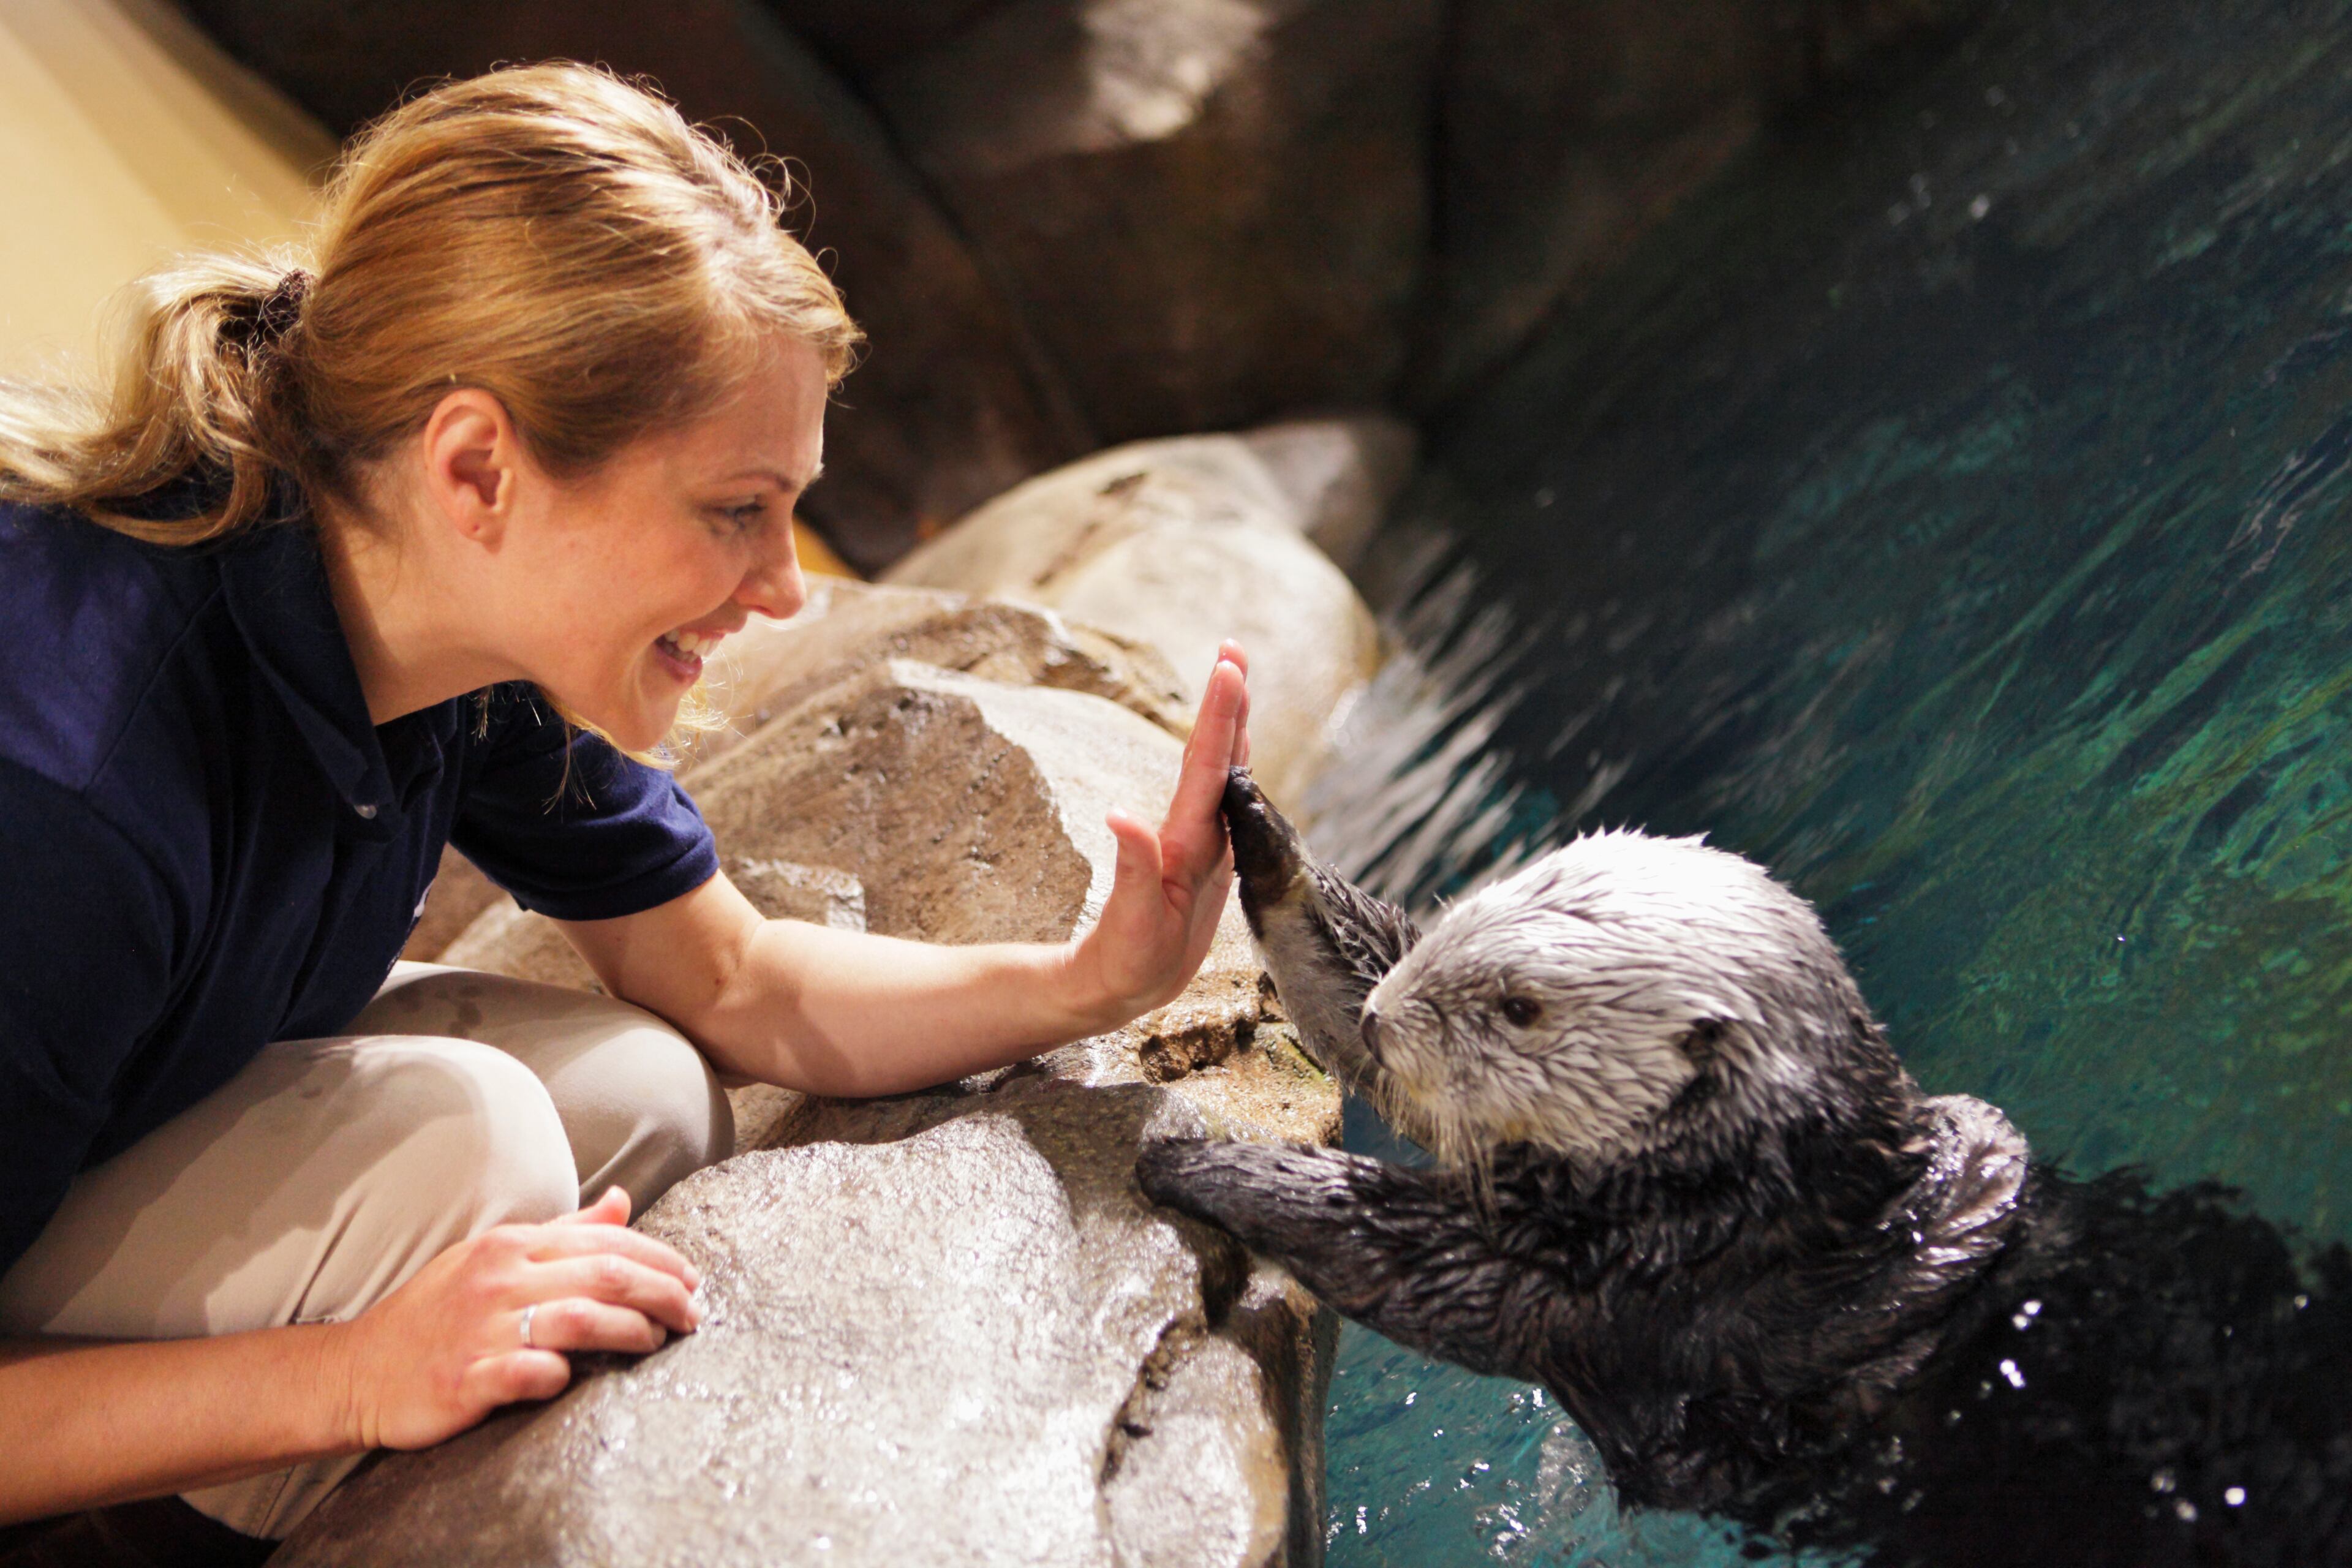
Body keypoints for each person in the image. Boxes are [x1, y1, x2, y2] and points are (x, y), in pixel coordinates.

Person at [0, 64, 1250, 1550]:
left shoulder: (451, 635)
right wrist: (351, 1373)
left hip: (88, 1122)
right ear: (479, 469)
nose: (788, 587)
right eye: (737, 510)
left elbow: (732, 977)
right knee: (473, 1155)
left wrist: (1085, 980)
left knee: (642, 1091)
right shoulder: (66, 792)